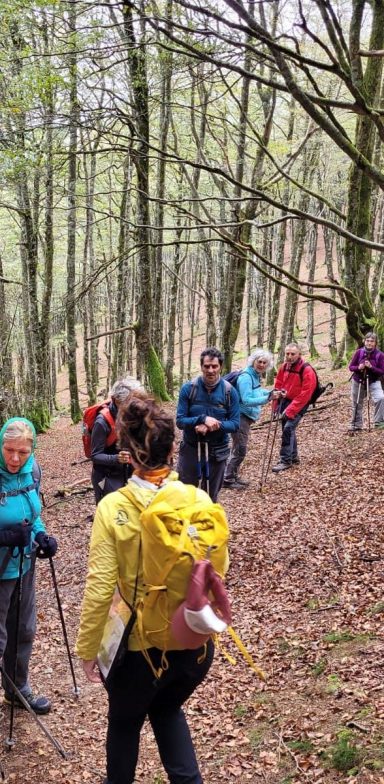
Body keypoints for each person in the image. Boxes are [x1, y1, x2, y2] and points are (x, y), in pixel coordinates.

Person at [76, 395, 219, 784]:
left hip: (138, 654)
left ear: (126, 450)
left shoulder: (113, 507)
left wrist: (89, 650)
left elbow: (101, 587)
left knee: (124, 725)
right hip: (194, 646)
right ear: (173, 448)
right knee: (168, 711)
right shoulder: (198, 500)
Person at [0, 417, 57, 715]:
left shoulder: (31, 471)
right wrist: (4, 536)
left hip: (23, 565)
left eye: (22, 452)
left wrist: (41, 535)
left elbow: (33, 514)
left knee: (23, 629)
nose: (14, 458)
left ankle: (16, 689)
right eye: (9, 450)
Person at [176, 347, 240, 502]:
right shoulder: (188, 389)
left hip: (217, 451)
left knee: (210, 497)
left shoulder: (229, 391)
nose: (210, 370)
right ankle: (187, 526)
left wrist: (213, 425)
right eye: (207, 366)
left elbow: (235, 424)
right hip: (191, 448)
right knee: (186, 494)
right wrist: (201, 419)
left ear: (221, 367)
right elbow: (180, 421)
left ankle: (207, 525)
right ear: (201, 366)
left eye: (214, 366)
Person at [223, 349, 278, 489]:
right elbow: (246, 399)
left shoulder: (255, 375)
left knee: (237, 447)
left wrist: (271, 392)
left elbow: (256, 392)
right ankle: (227, 479)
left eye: (264, 362)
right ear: (253, 361)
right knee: (240, 449)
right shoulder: (246, 377)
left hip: (245, 417)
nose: (261, 364)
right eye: (259, 361)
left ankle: (232, 476)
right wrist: (268, 398)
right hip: (239, 416)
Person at [91, 376, 143, 503]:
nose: (131, 406)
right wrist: (116, 458)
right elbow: (95, 455)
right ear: (115, 400)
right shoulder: (102, 421)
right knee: (110, 515)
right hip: (107, 477)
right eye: (127, 402)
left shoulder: (133, 415)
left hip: (130, 474)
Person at [272, 343, 317, 473]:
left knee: (288, 428)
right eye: (287, 354)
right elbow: (278, 385)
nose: (289, 356)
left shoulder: (306, 370)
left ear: (299, 355)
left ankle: (285, 460)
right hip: (285, 401)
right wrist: (275, 406)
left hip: (300, 403)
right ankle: (293, 456)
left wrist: (291, 410)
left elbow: (306, 393)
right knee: (288, 429)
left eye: (293, 354)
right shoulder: (283, 367)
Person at [348, 332, 384, 432]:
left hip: (374, 381)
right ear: (364, 341)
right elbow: (351, 367)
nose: (369, 343)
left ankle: (379, 421)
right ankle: (356, 424)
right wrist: (359, 368)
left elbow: (382, 371)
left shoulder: (380, 355)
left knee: (381, 398)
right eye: (367, 341)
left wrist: (371, 367)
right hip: (358, 381)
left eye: (372, 341)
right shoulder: (359, 352)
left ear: (375, 343)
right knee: (356, 403)